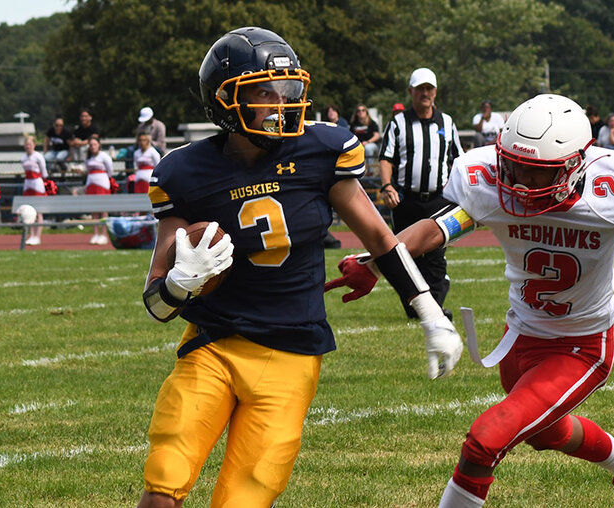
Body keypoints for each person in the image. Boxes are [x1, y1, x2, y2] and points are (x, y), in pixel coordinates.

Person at [326, 94, 614, 508]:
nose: (520, 182)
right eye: (515, 166)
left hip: (582, 346)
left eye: (536, 171)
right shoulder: (491, 180)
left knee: (485, 440)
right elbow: (434, 229)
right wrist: (375, 261)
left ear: (576, 165)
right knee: (546, 433)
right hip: (521, 334)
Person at [136, 27, 461, 508]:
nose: (280, 103)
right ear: (226, 101)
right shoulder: (184, 172)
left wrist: (430, 313)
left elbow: (379, 238)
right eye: (263, 92)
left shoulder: (320, 151)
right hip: (213, 343)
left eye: (285, 91)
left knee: (245, 498)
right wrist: (181, 285)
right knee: (165, 478)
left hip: (291, 353)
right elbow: (157, 306)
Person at [378, 66, 464, 318]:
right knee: (404, 254)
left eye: (428, 89)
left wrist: (462, 193)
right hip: (406, 200)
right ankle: (413, 308)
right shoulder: (398, 123)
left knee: (436, 255)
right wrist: (386, 186)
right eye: (420, 89)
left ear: (435, 92)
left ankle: (434, 308)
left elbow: (458, 160)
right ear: (411, 92)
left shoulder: (447, 123)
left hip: (438, 198)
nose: (424, 93)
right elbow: (386, 158)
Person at [83, 136, 114, 245]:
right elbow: (87, 169)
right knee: (94, 210)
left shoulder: (104, 156)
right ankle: (96, 233)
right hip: (91, 184)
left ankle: (104, 234)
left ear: (99, 145)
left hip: (102, 184)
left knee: (103, 210)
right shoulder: (88, 158)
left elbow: (110, 170)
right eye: (90, 145)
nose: (92, 147)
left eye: (94, 144)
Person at [20, 136, 47, 245]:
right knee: (29, 211)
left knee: (39, 212)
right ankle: (31, 235)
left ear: (34, 145)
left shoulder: (38, 157)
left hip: (37, 184)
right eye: (26, 144)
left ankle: (38, 236)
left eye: (30, 144)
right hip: (28, 184)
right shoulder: (23, 158)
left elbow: (44, 172)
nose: (28, 146)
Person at [349, 103, 381, 173]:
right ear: (356, 113)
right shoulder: (353, 124)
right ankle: (354, 172)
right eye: (358, 111)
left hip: (372, 144)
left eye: (363, 110)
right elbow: (350, 136)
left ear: (366, 112)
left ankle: (370, 172)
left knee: (368, 148)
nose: (361, 112)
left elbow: (377, 135)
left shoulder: (372, 123)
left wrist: (368, 142)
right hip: (358, 145)